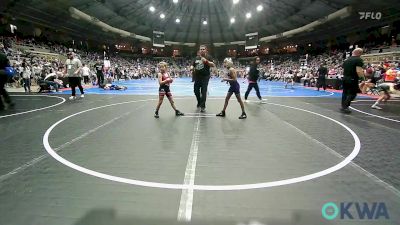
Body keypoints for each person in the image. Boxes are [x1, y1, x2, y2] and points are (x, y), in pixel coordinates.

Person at [341, 48, 365, 113]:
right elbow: (359, 70)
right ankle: (346, 106)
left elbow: (343, 70)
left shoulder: (346, 60)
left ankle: (343, 106)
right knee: (353, 93)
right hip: (352, 78)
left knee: (345, 92)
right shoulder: (358, 59)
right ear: (359, 53)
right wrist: (363, 79)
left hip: (345, 78)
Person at [193, 45, 215, 113]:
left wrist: (206, 61)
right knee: (196, 91)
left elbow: (213, 64)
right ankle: (199, 102)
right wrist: (191, 68)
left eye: (203, 49)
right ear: (199, 50)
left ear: (206, 50)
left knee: (203, 91)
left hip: (205, 77)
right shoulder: (196, 57)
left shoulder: (209, 57)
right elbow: (193, 65)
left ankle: (203, 106)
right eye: (201, 49)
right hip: (197, 77)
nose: (202, 50)